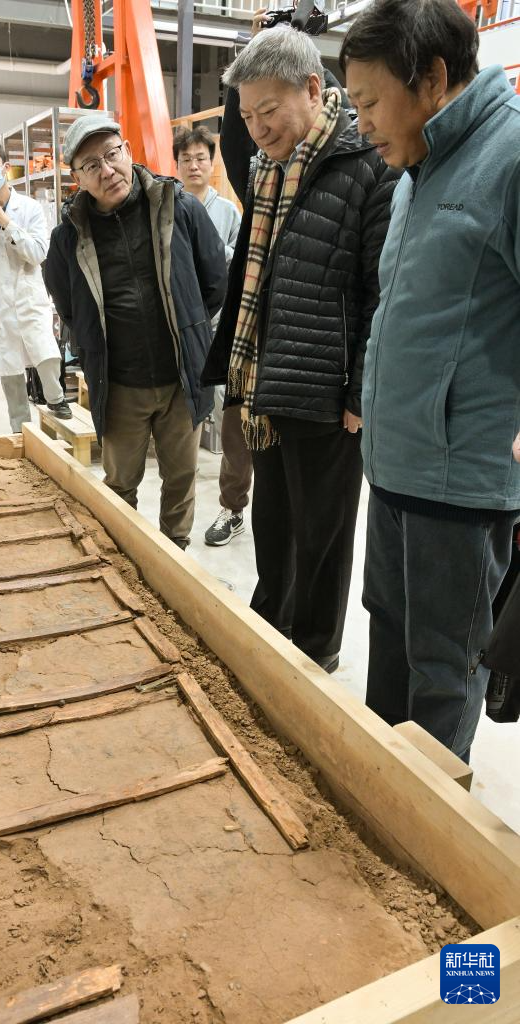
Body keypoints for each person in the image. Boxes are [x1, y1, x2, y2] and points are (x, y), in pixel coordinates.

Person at [341, 0, 520, 759]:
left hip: (461, 486)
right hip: (395, 467)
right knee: (389, 643)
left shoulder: (509, 156)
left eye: (369, 103)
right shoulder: (417, 166)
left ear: (433, 79)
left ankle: (423, 829)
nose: (361, 125)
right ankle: (381, 806)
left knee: (443, 672)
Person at [202, 22, 398, 671]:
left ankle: (315, 655)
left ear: (312, 90)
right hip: (268, 377)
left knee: (323, 536)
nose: (257, 129)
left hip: (328, 390)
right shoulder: (265, 167)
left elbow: (378, 291)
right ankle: (271, 629)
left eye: (268, 111)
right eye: (247, 116)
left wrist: (359, 393)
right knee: (274, 524)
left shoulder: (365, 164)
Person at [45, 114, 228, 550]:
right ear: (78, 178)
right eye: (92, 165)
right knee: (120, 483)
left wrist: (187, 329)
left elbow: (215, 281)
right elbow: (68, 307)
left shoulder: (179, 208)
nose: (107, 170)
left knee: (180, 478)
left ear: (128, 151)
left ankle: (175, 555)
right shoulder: (68, 238)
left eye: (112, 154)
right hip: (120, 385)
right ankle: (123, 560)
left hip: (180, 379)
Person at [172, 126, 250, 548]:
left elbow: (238, 266)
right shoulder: (168, 208)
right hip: (181, 326)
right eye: (186, 159)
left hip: (222, 326)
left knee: (228, 412)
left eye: (201, 157)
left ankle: (231, 506)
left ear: (212, 162)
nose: (194, 165)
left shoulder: (229, 213)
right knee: (179, 409)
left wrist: (210, 251)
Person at [0, 136, 71, 434]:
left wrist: (8, 225)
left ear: (6, 166)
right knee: (8, 367)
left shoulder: (30, 208)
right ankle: (19, 425)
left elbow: (37, 253)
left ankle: (56, 399)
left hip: (28, 293)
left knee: (45, 352)